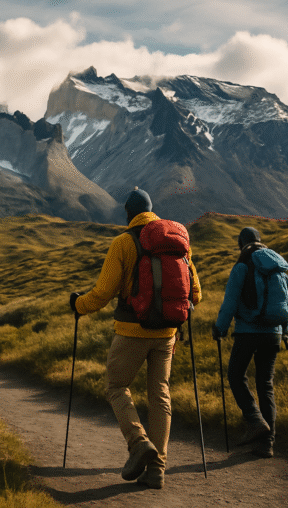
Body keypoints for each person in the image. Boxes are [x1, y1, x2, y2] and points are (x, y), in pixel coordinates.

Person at [70, 188, 202, 490]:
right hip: (168, 333)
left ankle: (139, 442)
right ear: (151, 210)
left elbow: (103, 293)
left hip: (132, 331)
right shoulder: (178, 242)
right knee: (160, 395)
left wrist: (78, 305)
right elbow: (196, 293)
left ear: (128, 213)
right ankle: (157, 470)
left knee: (116, 386)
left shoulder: (123, 242)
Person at [211, 227, 288, 458]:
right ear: (260, 242)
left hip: (248, 333)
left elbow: (230, 302)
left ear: (242, 244)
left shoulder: (242, 267)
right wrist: (284, 332)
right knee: (265, 384)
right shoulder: (278, 269)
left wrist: (220, 329)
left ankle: (255, 420)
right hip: (274, 334)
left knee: (236, 376)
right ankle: (267, 444)